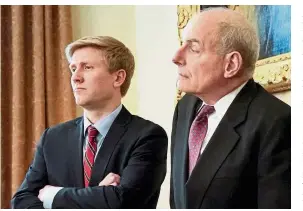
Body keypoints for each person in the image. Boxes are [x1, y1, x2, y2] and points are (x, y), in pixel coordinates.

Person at [11, 36, 168, 209]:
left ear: (118, 78)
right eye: (73, 69)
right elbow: (21, 201)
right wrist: (99, 195)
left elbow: (123, 200)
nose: (75, 78)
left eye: (87, 67)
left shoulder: (148, 136)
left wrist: (52, 195)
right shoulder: (53, 137)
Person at [170, 7, 290, 209]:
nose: (176, 57)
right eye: (183, 44)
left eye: (194, 48)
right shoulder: (185, 107)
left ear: (231, 64)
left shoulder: (277, 123)